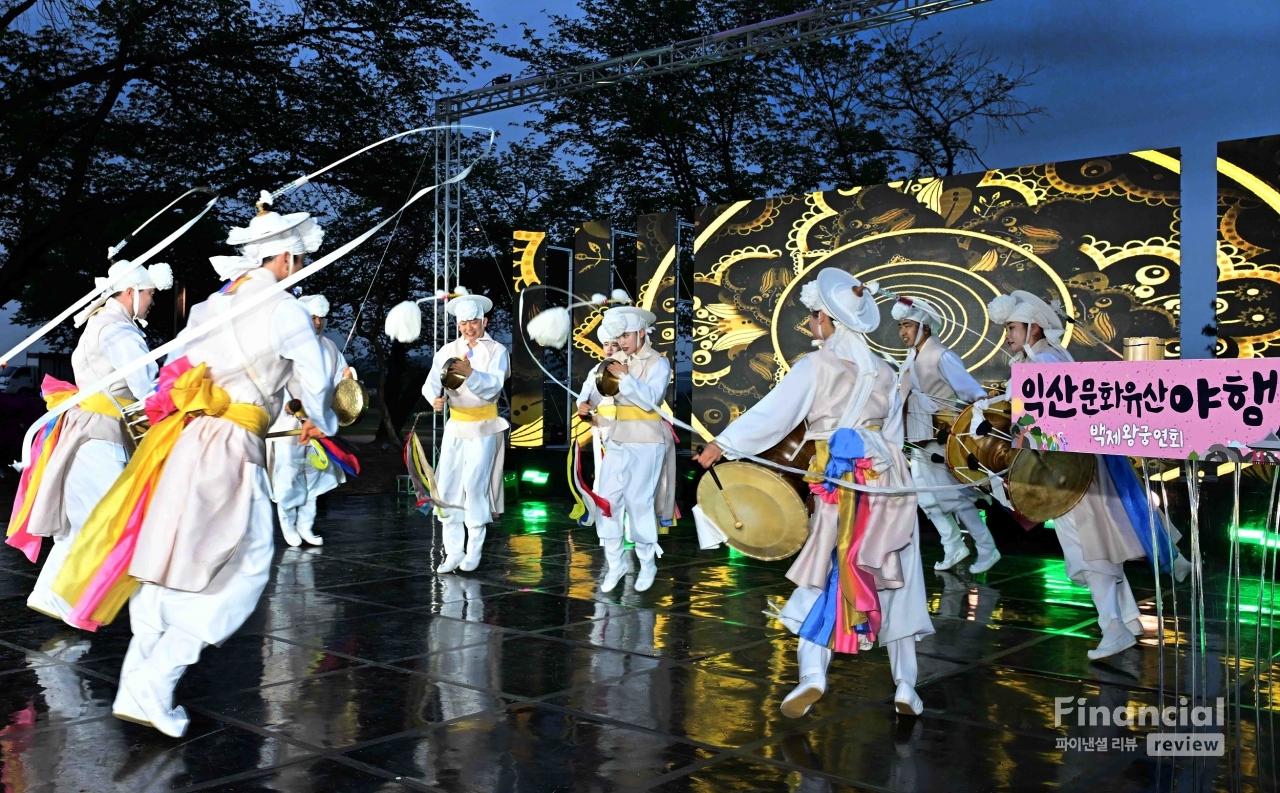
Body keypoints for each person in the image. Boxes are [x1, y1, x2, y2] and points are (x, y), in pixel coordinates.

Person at [79, 195, 338, 737]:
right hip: (232, 446)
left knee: (169, 554)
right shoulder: (286, 310)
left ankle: (138, 681)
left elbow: (175, 371)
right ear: (287, 259)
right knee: (240, 568)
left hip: (185, 439)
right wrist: (325, 419)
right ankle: (154, 681)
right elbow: (315, 386)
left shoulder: (210, 307)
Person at [694, 269, 931, 717]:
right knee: (895, 574)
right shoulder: (885, 371)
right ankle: (905, 686)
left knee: (825, 568)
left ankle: (812, 675)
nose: (808, 325)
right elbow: (896, 438)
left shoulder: (817, 365)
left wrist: (723, 444)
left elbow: (775, 414)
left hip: (841, 485)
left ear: (829, 320)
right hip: (889, 483)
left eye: (812, 316)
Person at [986, 290, 1189, 660]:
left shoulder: (1042, 362)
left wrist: (1018, 439)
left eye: (1012, 328)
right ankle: (1126, 619)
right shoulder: (1053, 357)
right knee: (1098, 543)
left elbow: (1044, 420)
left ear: (1032, 328)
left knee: (1089, 547)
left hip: (1066, 473)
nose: (1008, 336)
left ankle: (1112, 625)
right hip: (1075, 468)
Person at [13, 260, 171, 623]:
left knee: (84, 523)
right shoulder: (119, 331)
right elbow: (146, 389)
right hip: (100, 436)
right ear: (131, 293)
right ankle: (73, 604)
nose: (151, 301)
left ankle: (50, 594)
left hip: (88, 432)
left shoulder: (100, 324)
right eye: (148, 294)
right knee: (107, 521)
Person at [892, 297, 1000, 573]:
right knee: (926, 497)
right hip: (919, 438)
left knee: (954, 498)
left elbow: (973, 393)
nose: (903, 331)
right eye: (901, 326)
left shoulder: (942, 356)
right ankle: (953, 545)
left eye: (907, 324)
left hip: (941, 437)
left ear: (924, 326)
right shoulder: (911, 357)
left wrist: (974, 424)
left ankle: (987, 548)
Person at [577, 305, 672, 593]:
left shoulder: (659, 363)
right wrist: (585, 403)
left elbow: (650, 400)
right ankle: (614, 563)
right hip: (617, 439)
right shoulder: (613, 361)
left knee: (638, 502)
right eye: (619, 335)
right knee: (606, 501)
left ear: (642, 333)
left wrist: (626, 377)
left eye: (628, 334)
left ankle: (646, 563)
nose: (623, 340)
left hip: (647, 440)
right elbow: (592, 387)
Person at [423, 289, 509, 574]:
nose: (469, 327)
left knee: (474, 486)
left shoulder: (497, 351)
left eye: (474, 321)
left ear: (484, 321)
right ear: (457, 324)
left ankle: (474, 550)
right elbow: (431, 384)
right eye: (463, 323)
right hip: (456, 427)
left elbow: (495, 384)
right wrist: (434, 398)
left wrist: (472, 373)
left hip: (484, 427)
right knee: (447, 486)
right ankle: (453, 552)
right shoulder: (447, 351)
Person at [268, 294, 355, 547]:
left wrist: (348, 376)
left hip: (318, 424)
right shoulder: (288, 347)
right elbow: (275, 380)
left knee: (314, 476)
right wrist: (286, 401)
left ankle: (306, 525)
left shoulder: (329, 347)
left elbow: (340, 380)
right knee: (288, 476)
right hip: (289, 422)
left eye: (321, 318)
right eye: (312, 317)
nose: (317, 322)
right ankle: (287, 522)